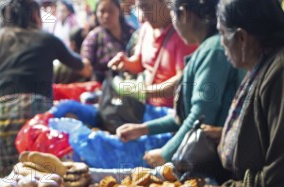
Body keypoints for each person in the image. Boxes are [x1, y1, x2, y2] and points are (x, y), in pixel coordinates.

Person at [195, 0, 284, 187]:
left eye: (222, 34)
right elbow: (265, 132)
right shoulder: (265, 65)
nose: (222, 44)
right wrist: (226, 136)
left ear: (243, 37)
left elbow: (280, 169)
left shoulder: (279, 72)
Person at [115, 0, 243, 169]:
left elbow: (200, 116)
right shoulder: (207, 48)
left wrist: (166, 153)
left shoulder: (213, 50)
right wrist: (143, 129)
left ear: (185, 14)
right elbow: (185, 115)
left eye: (173, 14)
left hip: (219, 162)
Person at [0, 0, 91, 176]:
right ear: (35, 14)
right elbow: (83, 67)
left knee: (8, 174)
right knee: (41, 173)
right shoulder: (45, 38)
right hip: (32, 107)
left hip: (0, 110)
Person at [108, 0, 196, 108]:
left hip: (169, 111)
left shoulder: (183, 34)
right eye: (139, 8)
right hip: (146, 105)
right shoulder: (146, 28)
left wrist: (144, 92)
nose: (142, 15)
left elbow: (182, 80)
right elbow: (140, 63)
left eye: (146, 7)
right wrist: (126, 63)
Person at [80, 0, 135, 82]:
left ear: (119, 11)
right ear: (96, 13)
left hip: (132, 82)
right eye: (102, 11)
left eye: (111, 11)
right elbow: (85, 64)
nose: (106, 15)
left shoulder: (132, 33)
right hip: (103, 87)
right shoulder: (94, 37)